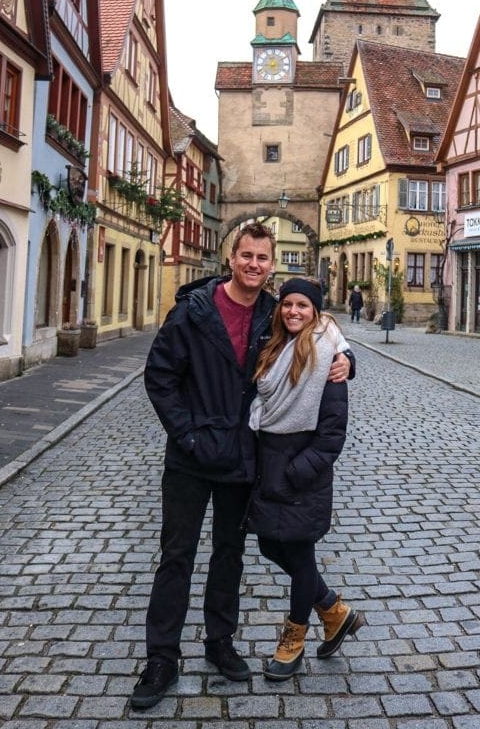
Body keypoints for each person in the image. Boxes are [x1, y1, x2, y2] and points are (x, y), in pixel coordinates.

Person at [131, 225, 353, 710]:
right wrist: (186, 434)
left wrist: (348, 358)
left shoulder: (276, 314)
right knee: (177, 557)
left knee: (229, 553)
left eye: (262, 257)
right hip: (190, 458)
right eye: (246, 255)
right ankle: (162, 658)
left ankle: (219, 642)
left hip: (240, 458)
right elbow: (160, 376)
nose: (254, 264)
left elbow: (324, 327)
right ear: (230, 258)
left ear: (271, 265)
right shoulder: (193, 311)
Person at [247, 277, 364, 681]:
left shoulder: (329, 356)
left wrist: (299, 471)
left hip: (300, 473)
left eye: (303, 306)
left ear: (316, 312)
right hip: (268, 464)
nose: (294, 311)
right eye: (288, 304)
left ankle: (293, 639)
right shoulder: (273, 344)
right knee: (268, 545)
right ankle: (334, 611)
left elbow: (332, 434)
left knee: (299, 558)